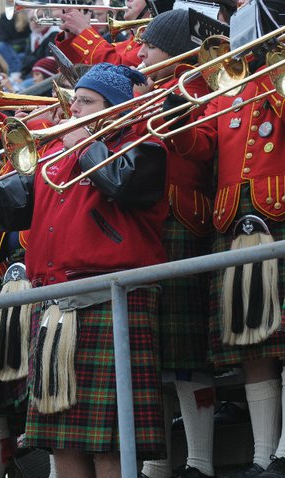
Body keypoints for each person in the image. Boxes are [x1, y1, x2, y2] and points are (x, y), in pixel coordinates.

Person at [0, 63, 168, 477]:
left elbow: (126, 186)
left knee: (110, 442)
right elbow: (14, 199)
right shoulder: (58, 152)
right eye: (74, 102)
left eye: (86, 102)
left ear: (115, 107)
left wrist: (86, 144)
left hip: (109, 299)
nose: (73, 110)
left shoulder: (145, 143)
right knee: (61, 440)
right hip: (54, 302)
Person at [163, 0, 285, 475]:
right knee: (253, 344)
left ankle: (283, 451)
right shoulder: (229, 81)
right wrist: (177, 122)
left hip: (277, 210)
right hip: (234, 218)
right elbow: (204, 145)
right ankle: (260, 455)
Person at [134, 10, 216, 478]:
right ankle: (158, 466)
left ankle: (200, 462)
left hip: (183, 221)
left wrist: (164, 114)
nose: (140, 52)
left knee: (186, 354)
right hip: (146, 224)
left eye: (150, 44)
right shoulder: (141, 89)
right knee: (155, 358)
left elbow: (202, 146)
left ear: (174, 49)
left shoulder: (199, 87)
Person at [54, 0, 152, 66]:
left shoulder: (152, 45)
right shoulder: (130, 43)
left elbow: (116, 69)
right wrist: (71, 33)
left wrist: (83, 30)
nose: (128, 0)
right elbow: (81, 68)